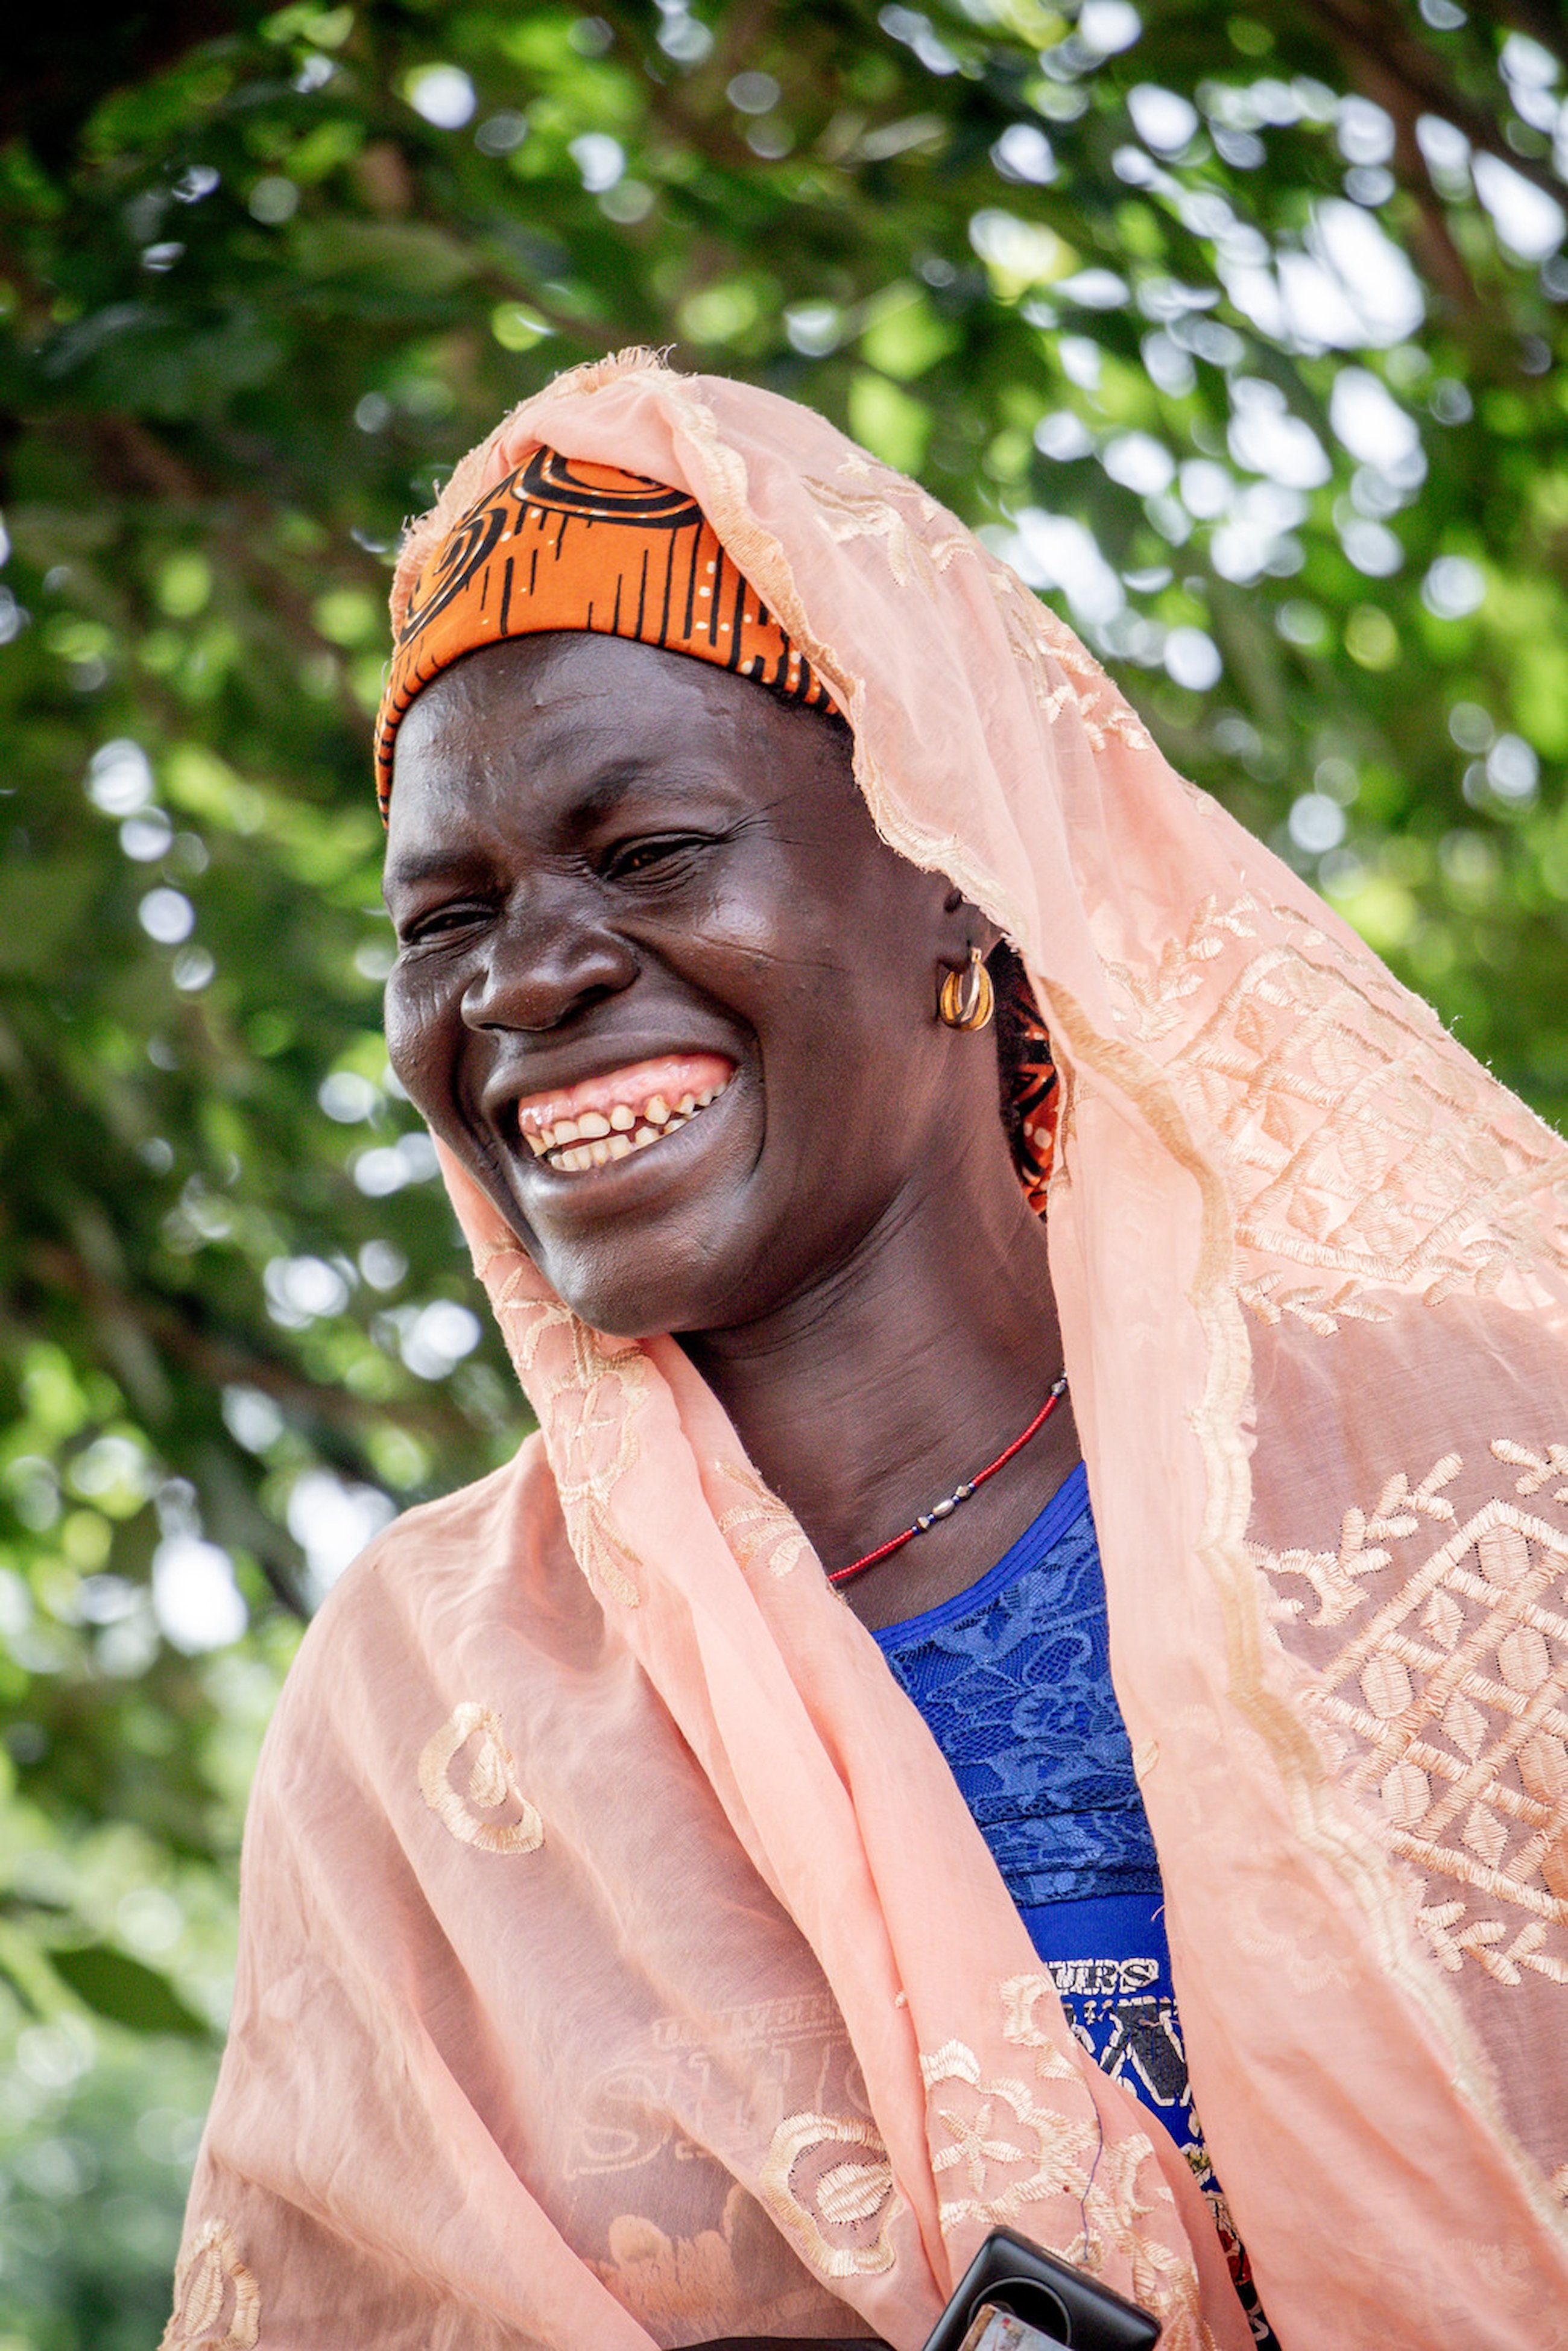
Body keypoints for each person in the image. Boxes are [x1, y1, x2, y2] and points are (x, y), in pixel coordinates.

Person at [162, 350, 1568, 2351]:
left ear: (963, 891)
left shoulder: (1488, 1479)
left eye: (644, 853)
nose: (526, 976)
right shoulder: (433, 1703)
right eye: (442, 920)